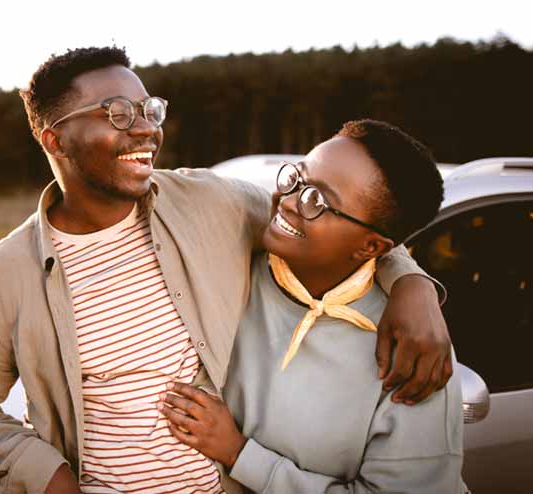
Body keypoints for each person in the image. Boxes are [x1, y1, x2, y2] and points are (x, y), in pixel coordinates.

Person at [0, 47, 452, 494]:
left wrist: (412, 283)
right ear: (55, 139)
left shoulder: (212, 203)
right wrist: (50, 477)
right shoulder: (1, 277)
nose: (145, 129)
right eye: (116, 113)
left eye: (148, 109)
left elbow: (339, 228)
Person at [159, 120, 465, 493]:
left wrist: (241, 454)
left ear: (371, 248)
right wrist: (413, 280)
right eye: (295, 178)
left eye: (317, 201)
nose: (286, 201)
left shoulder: (412, 352)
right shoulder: (230, 266)